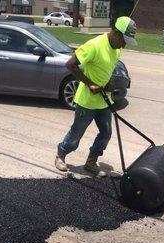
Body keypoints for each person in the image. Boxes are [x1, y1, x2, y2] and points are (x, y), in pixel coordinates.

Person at [55, 16, 137, 177]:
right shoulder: (95, 45)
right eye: (124, 39)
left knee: (106, 133)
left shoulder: (117, 48)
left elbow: (103, 69)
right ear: (115, 33)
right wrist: (89, 83)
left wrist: (107, 85)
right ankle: (60, 154)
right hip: (87, 102)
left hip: (104, 100)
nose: (124, 44)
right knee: (76, 134)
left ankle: (91, 162)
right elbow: (70, 64)